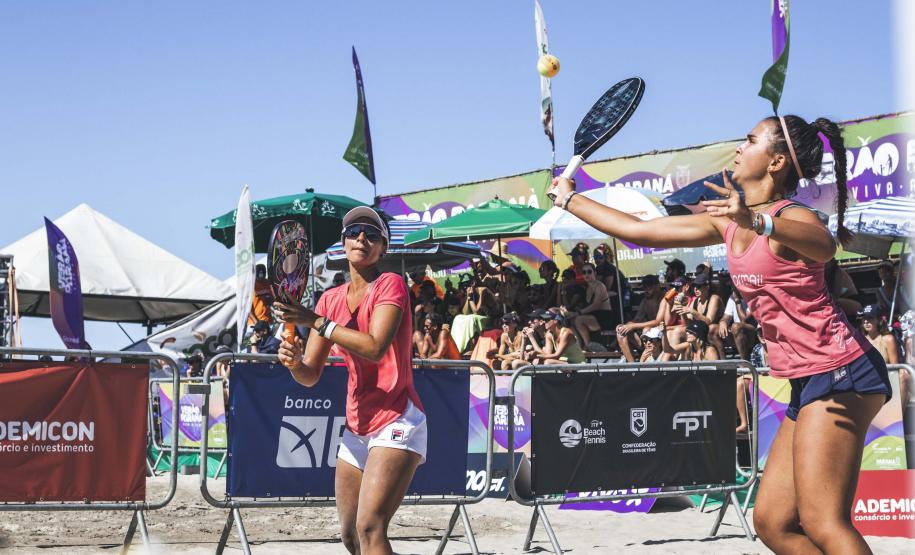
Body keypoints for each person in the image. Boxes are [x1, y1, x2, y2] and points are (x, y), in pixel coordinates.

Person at [550, 113, 891, 553]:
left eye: (749, 141)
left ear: (776, 162)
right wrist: (569, 200)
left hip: (843, 371)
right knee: (772, 523)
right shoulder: (726, 222)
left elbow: (823, 245)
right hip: (809, 379)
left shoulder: (791, 216)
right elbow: (641, 231)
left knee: (824, 521)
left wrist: (758, 222)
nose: (738, 148)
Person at [273, 206, 425, 555]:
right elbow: (310, 375)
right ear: (342, 243)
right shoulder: (329, 300)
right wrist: (295, 362)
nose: (362, 238)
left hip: (398, 417)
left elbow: (374, 347)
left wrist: (317, 322)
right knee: (351, 537)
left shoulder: (391, 284)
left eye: (372, 234)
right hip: (357, 427)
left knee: (371, 528)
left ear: (383, 249)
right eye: (354, 231)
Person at [616, 275, 664, 362]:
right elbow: (637, 319)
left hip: (662, 332)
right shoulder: (645, 301)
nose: (646, 290)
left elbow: (658, 321)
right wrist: (626, 325)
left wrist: (634, 326)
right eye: (644, 287)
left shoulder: (663, 299)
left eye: (648, 287)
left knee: (646, 329)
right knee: (621, 332)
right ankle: (632, 365)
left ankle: (650, 359)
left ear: (657, 286)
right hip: (645, 336)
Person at [567, 262, 614, 348]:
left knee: (579, 319)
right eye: (584, 272)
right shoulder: (587, 287)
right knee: (572, 320)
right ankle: (579, 345)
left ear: (594, 273)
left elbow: (595, 305)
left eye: (589, 272)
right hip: (592, 316)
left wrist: (578, 313)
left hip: (604, 318)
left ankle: (588, 347)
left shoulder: (600, 286)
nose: (586, 274)